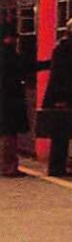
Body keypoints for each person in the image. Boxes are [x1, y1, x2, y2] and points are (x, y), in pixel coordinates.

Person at [41, 17, 72, 177]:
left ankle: (58, 167)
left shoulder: (65, 45)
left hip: (62, 96)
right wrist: (61, 99)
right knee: (60, 134)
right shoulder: (67, 47)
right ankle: (56, 168)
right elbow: (64, 75)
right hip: (61, 97)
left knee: (61, 134)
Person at [0, 22, 28, 177]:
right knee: (9, 135)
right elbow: (22, 68)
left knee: (7, 134)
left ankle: (8, 165)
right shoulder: (8, 55)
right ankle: (8, 166)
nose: (16, 41)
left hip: (6, 100)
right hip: (9, 101)